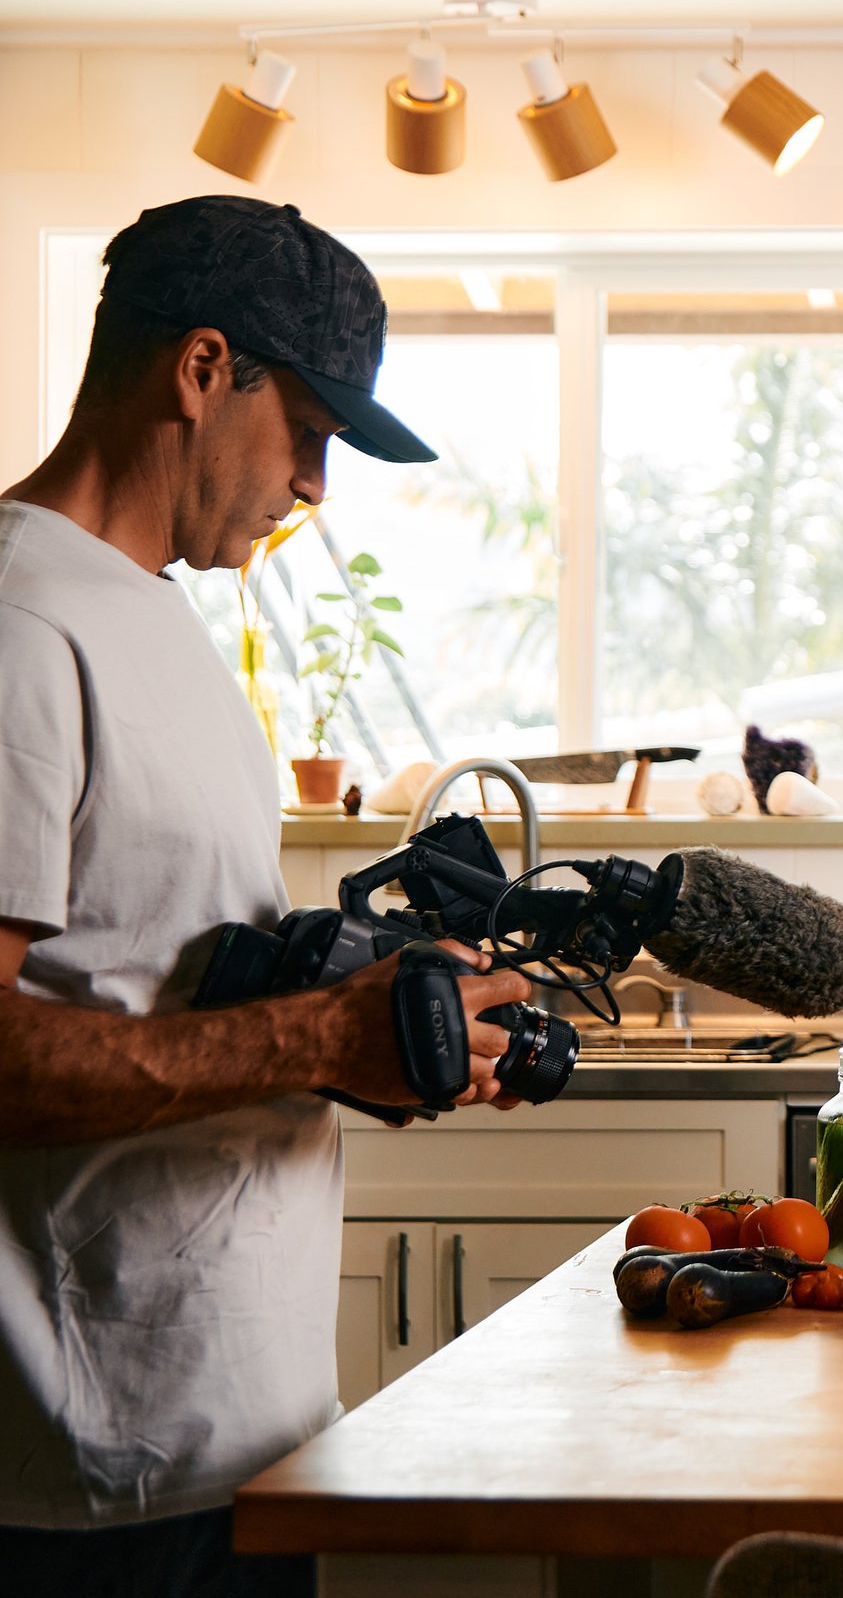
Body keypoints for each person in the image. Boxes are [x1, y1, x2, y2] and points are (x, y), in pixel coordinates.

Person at [0, 196, 531, 1598]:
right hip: (93, 1480)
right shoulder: (16, 620)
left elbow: (159, 970)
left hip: (240, 1437)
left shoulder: (148, 611)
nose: (314, 482)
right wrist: (321, 1040)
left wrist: (386, 1005)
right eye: (307, 427)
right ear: (199, 368)